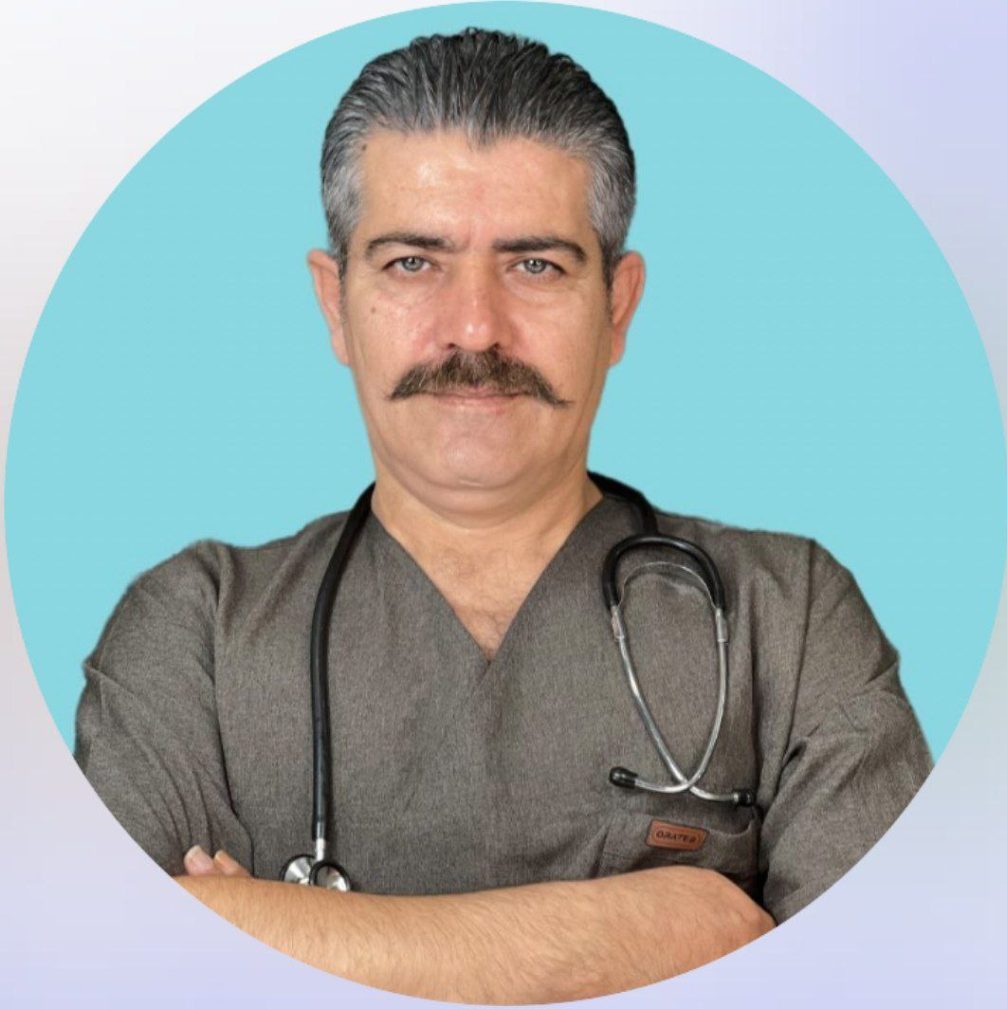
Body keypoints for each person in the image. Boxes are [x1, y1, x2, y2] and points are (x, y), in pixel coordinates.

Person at [74, 27, 932, 1002]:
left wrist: (267, 925)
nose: (475, 327)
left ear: (617, 306)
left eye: (536, 266)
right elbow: (115, 966)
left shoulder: (791, 616)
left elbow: (886, 980)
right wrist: (676, 928)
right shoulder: (195, 633)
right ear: (335, 303)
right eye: (412, 263)